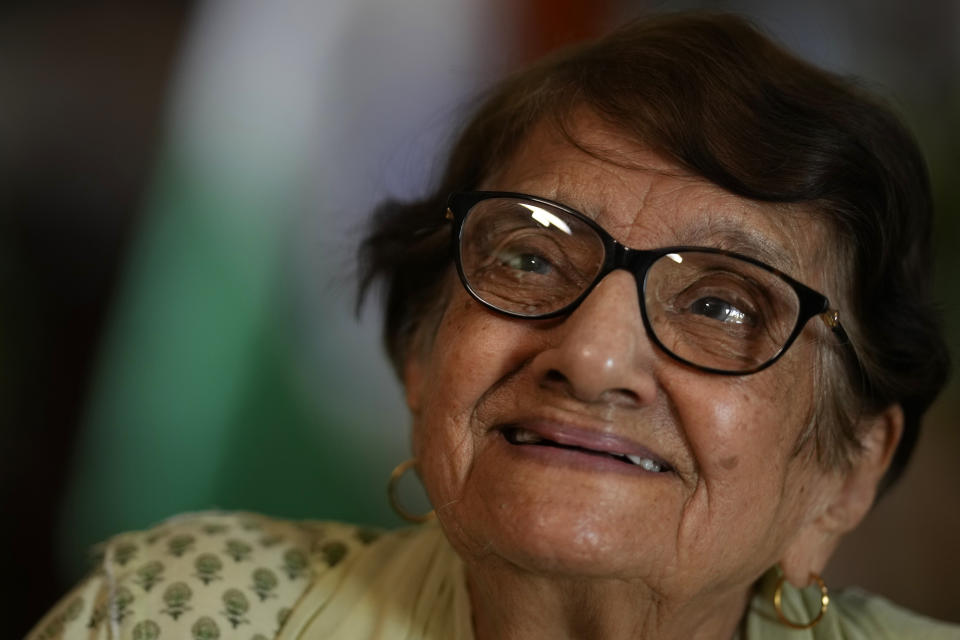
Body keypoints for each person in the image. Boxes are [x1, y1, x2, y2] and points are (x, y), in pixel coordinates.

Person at [29, 11, 957, 640]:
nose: (592, 357)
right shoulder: (180, 617)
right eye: (529, 259)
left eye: (721, 304)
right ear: (421, 358)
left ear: (844, 473)